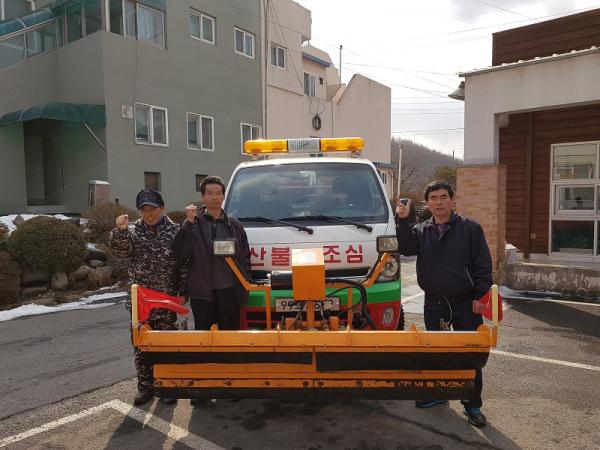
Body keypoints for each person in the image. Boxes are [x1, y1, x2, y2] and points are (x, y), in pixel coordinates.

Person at [395, 181, 492, 428]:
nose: (438, 202)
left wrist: (480, 297)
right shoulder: (421, 230)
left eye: (443, 197)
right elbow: (405, 247)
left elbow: (483, 265)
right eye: (434, 198)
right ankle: (438, 394)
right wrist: (403, 221)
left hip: (465, 303)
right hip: (434, 303)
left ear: (452, 199)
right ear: (427, 203)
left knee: (470, 355)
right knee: (436, 353)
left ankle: (473, 405)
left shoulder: (470, 229)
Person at [109, 189, 186, 406]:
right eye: (144, 210)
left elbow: (184, 263)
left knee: (167, 345)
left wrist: (183, 292)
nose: (149, 214)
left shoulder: (175, 231)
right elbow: (121, 251)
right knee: (141, 345)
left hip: (166, 299)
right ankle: (146, 387)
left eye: (153, 209)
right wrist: (120, 231)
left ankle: (167, 385)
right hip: (140, 301)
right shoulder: (132, 231)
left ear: (162, 208)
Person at [173, 176, 251, 332]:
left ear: (223, 196)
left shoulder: (234, 225)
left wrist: (244, 286)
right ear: (203, 197)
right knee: (204, 337)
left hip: (230, 291)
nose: (215, 197)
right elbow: (180, 253)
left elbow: (246, 257)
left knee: (230, 336)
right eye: (210, 193)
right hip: (202, 293)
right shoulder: (193, 223)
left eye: (218, 193)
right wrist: (188, 224)